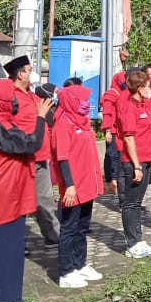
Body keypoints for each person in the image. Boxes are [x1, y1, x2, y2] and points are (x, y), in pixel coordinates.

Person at [0, 59, 52, 302]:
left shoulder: (3, 123)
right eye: (9, 98)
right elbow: (30, 143)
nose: (14, 101)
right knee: (6, 246)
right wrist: (41, 118)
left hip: (14, 190)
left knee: (13, 246)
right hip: (4, 193)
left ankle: (10, 296)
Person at [52, 82, 105, 288]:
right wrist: (69, 185)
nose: (87, 103)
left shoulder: (82, 121)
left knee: (83, 227)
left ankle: (80, 263)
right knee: (69, 228)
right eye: (82, 100)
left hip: (87, 183)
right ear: (72, 101)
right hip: (73, 185)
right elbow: (62, 158)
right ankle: (66, 271)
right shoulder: (63, 124)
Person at [115, 69, 151, 258]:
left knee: (137, 203)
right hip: (133, 162)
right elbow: (129, 138)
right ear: (140, 88)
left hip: (145, 158)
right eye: (148, 86)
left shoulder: (141, 105)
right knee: (131, 204)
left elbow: (147, 134)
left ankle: (138, 239)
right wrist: (136, 166)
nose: (150, 88)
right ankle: (132, 243)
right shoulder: (128, 107)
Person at [30, 80, 62, 246]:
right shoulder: (33, 106)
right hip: (23, 156)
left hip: (40, 156)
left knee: (45, 197)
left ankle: (53, 234)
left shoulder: (41, 106)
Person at [98, 71, 127, 194]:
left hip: (122, 130)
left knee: (119, 156)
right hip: (113, 130)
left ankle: (115, 180)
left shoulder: (124, 93)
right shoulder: (110, 94)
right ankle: (111, 180)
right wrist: (108, 131)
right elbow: (107, 114)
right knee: (112, 155)